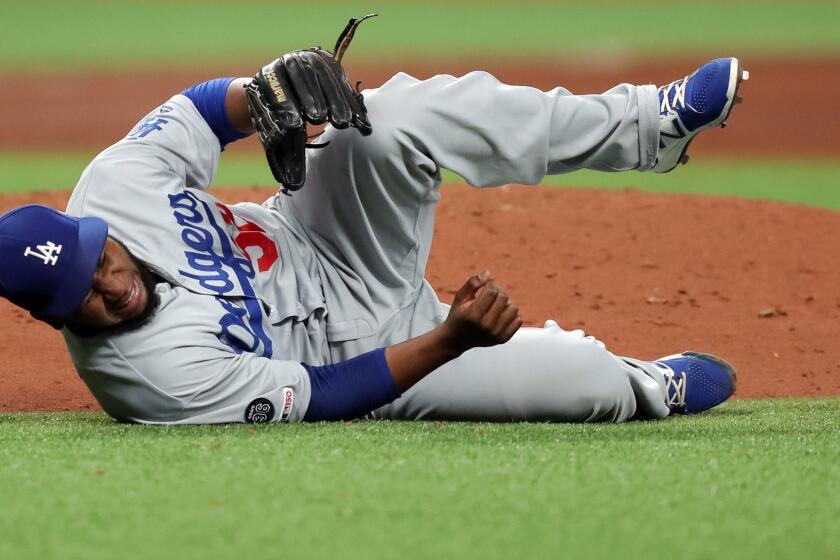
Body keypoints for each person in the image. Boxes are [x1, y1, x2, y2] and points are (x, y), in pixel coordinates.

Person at [0, 48, 746, 424]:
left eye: (100, 262)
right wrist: (449, 340)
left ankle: (650, 124)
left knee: (385, 118)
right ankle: (645, 384)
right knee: (578, 384)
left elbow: (199, 112)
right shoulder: (150, 381)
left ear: (93, 227)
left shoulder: (115, 183)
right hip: (361, 356)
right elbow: (321, 396)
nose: (112, 288)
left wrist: (261, 94)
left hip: (322, 233)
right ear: (49, 317)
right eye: (84, 299)